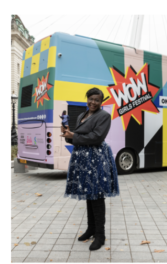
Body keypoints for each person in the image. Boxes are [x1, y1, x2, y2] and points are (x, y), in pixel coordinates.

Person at [62, 87, 120, 251]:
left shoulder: (104, 116)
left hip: (96, 158)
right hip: (82, 159)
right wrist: (68, 136)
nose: (93, 102)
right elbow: (78, 137)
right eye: (91, 99)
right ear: (86, 99)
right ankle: (91, 229)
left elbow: (97, 137)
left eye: (97, 100)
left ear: (101, 102)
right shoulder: (82, 115)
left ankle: (100, 235)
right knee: (89, 194)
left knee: (97, 195)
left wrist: (74, 136)